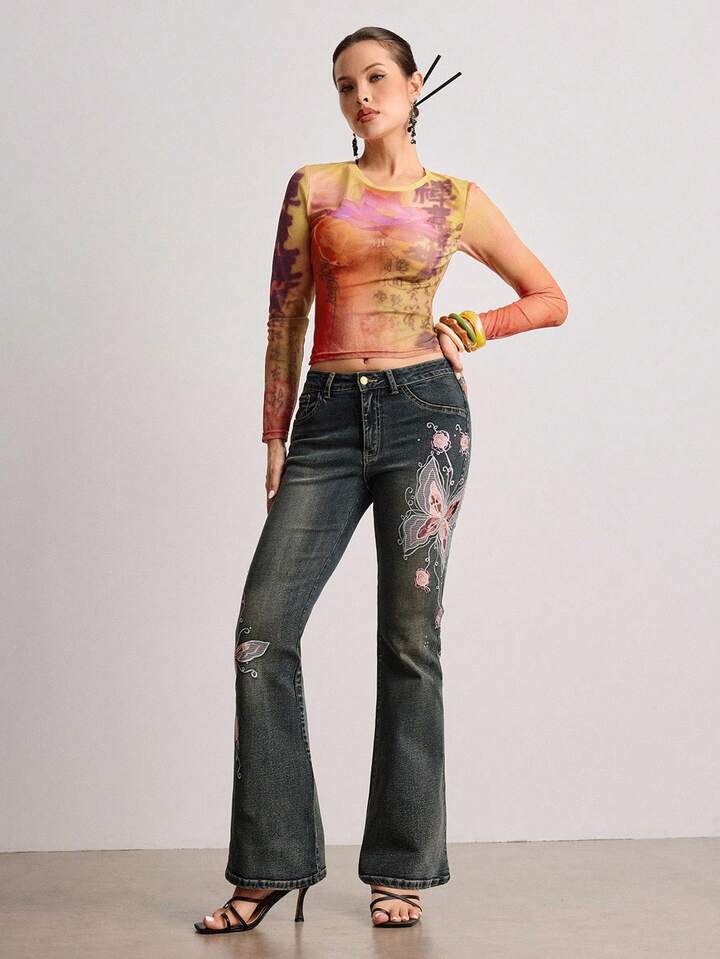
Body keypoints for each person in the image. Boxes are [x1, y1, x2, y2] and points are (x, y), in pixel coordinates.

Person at [195, 26, 568, 936]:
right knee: (262, 632)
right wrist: (274, 431)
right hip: (325, 419)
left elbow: (549, 296)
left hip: (424, 418)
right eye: (343, 85)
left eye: (374, 79)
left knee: (410, 641)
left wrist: (472, 327)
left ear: (414, 86)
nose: (360, 97)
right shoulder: (315, 188)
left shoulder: (455, 200)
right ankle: (273, 861)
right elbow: (285, 313)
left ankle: (400, 867)